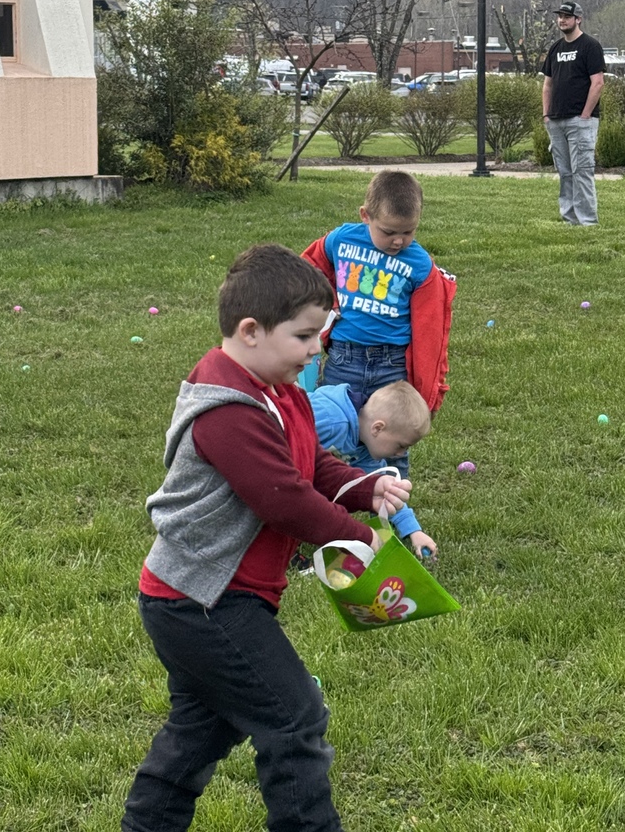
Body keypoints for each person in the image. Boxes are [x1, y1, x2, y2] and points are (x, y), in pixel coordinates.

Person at [121, 243, 411, 832]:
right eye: (304, 336)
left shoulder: (281, 391)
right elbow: (281, 497)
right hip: (202, 600)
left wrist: (365, 485)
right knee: (295, 718)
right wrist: (360, 537)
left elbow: (307, 464)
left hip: (208, 599)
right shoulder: (227, 409)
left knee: (202, 730)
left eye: (319, 335)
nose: (316, 349)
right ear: (251, 331)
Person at [301, 170, 457, 479]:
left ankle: (395, 500)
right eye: (388, 231)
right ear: (366, 215)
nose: (399, 240)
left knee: (393, 440)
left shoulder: (420, 264)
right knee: (327, 436)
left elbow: (432, 334)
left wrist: (429, 392)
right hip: (343, 359)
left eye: (409, 231)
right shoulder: (340, 240)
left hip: (391, 366)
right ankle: (329, 495)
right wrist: (326, 304)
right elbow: (309, 267)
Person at [308, 380, 438, 559]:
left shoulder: (366, 448)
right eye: (401, 445)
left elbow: (387, 493)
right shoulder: (329, 421)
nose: (401, 454)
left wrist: (414, 531)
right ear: (377, 428)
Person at [541, 1, 605, 226]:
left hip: (581, 120)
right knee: (565, 173)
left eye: (567, 16)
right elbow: (547, 85)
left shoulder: (590, 46)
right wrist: (546, 115)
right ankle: (570, 219)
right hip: (556, 120)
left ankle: (587, 221)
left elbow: (597, 83)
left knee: (582, 171)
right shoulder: (556, 48)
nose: (562, 20)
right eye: (560, 16)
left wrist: (585, 115)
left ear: (578, 19)